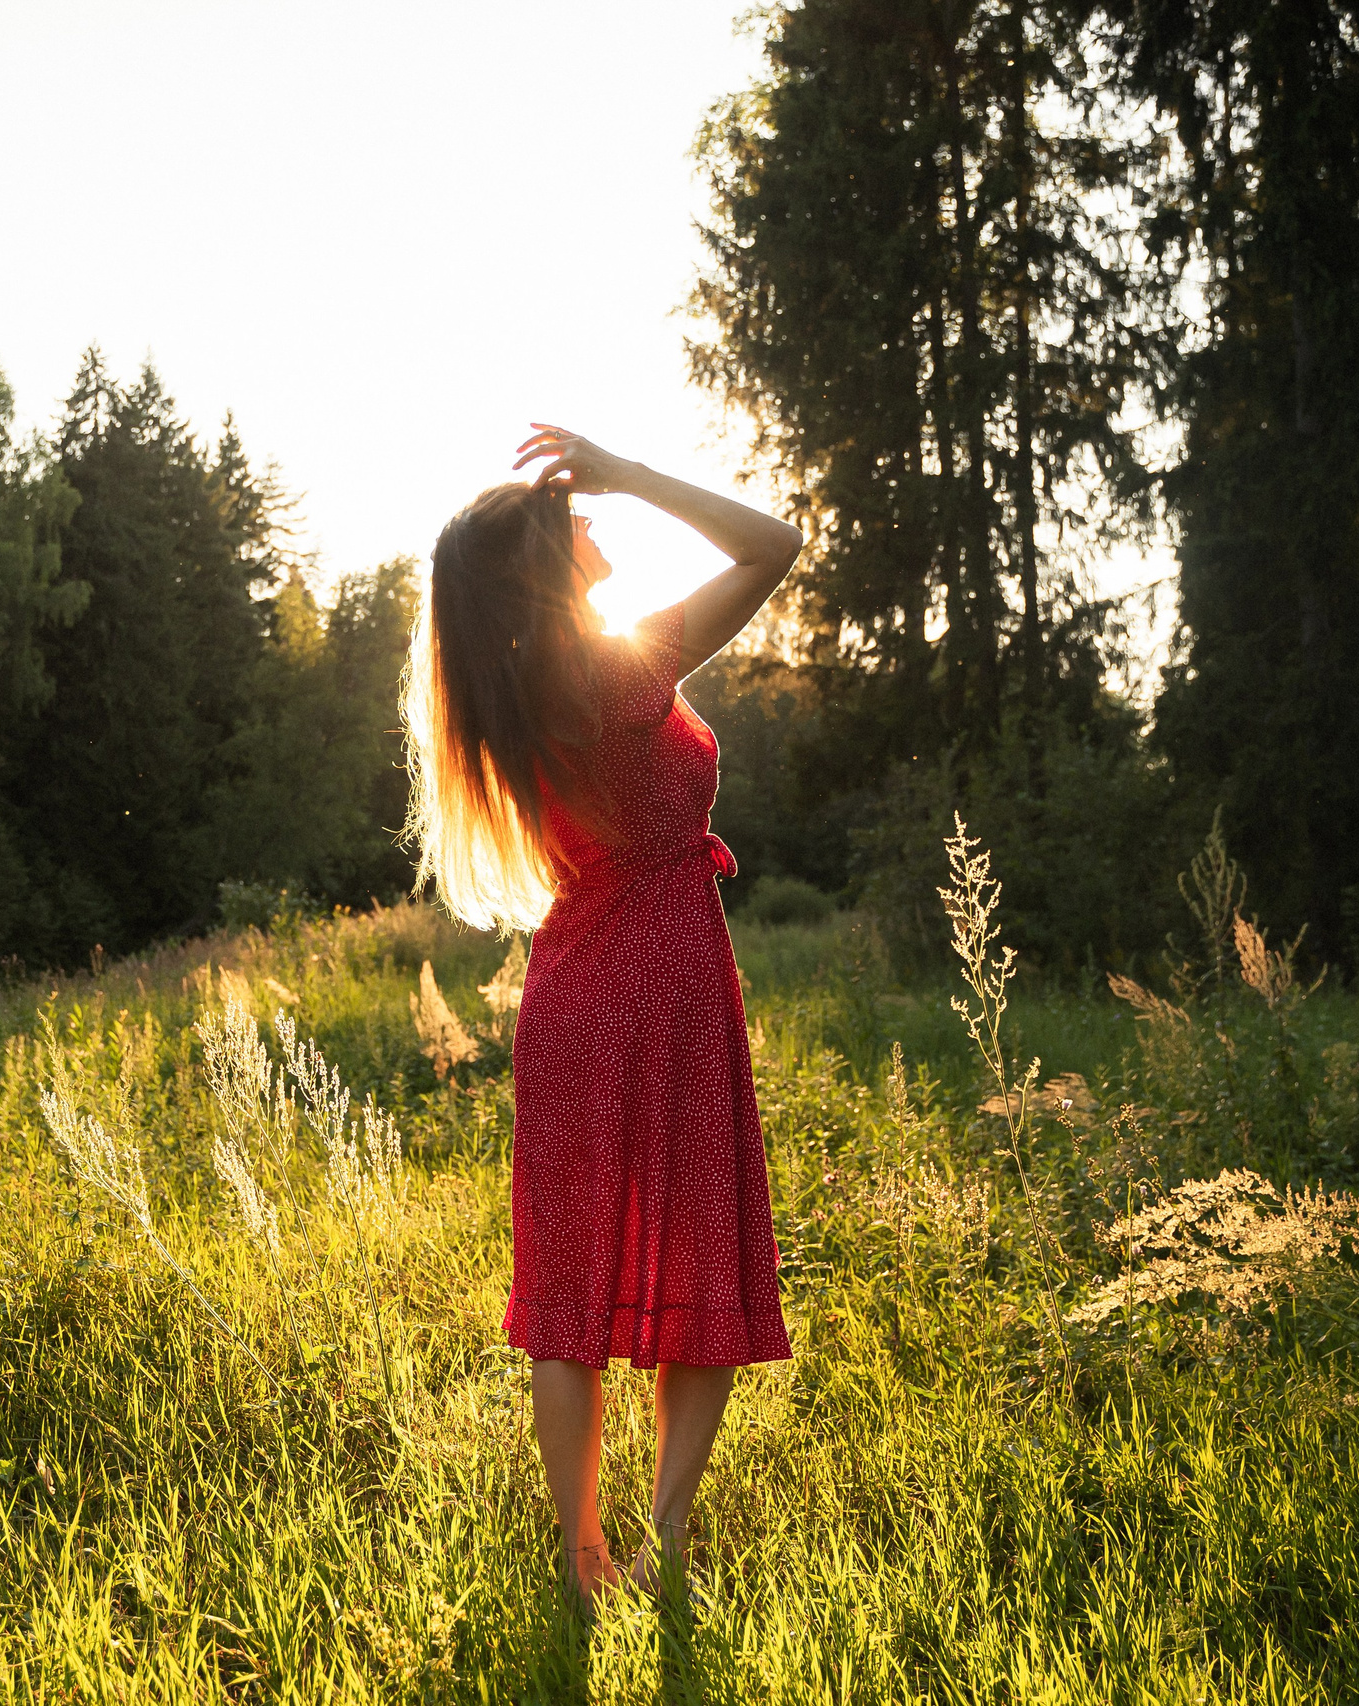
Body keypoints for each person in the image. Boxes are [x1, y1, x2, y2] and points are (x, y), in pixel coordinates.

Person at [402, 425, 801, 1610]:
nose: (593, 523)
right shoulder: (615, 672)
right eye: (570, 520)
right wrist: (628, 468)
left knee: (565, 1291)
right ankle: (660, 1538)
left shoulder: (515, 693)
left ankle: (585, 1558)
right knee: (696, 1256)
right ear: (542, 569)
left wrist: (600, 488)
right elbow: (774, 544)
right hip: (665, 982)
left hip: (576, 987)